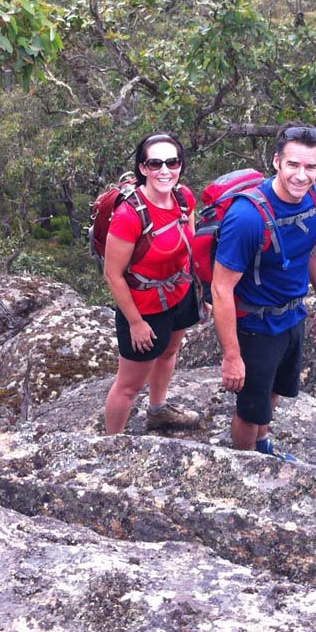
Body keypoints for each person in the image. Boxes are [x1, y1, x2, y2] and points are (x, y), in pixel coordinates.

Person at [212, 123, 316, 460]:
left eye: (310, 167)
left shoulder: (314, 196)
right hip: (256, 326)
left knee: (275, 393)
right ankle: (242, 466)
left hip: (292, 315)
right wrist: (232, 356)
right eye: (293, 164)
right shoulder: (247, 218)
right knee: (251, 411)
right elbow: (221, 289)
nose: (301, 175)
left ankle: (264, 448)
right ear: (276, 162)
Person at [103, 132, 202, 435]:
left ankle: (158, 410)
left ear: (180, 165)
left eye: (172, 162)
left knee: (169, 353)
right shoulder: (128, 216)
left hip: (179, 292)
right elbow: (113, 274)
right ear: (143, 168)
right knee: (129, 386)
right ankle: (110, 445)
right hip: (144, 306)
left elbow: (192, 246)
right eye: (155, 163)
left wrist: (203, 289)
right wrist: (134, 322)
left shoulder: (184, 197)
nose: (164, 170)